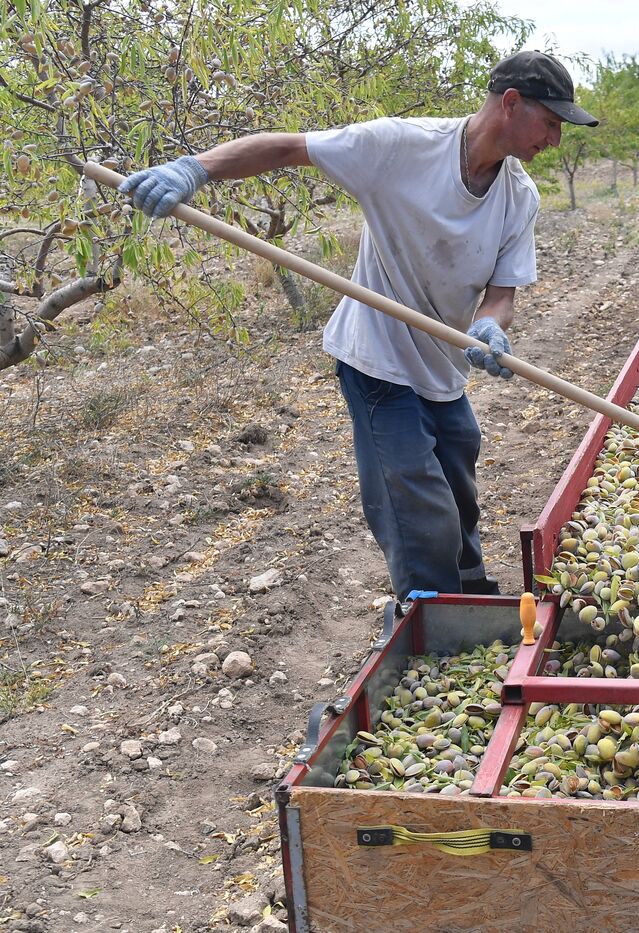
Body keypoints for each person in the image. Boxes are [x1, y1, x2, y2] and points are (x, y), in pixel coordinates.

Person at [118, 50, 598, 600]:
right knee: (414, 494)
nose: (556, 140)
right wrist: (194, 168)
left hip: (441, 364)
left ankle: (468, 586)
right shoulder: (401, 147)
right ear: (511, 104)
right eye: (553, 122)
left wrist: (490, 326)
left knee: (458, 477)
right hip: (377, 355)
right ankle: (434, 615)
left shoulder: (519, 197)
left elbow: (501, 294)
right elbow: (289, 146)